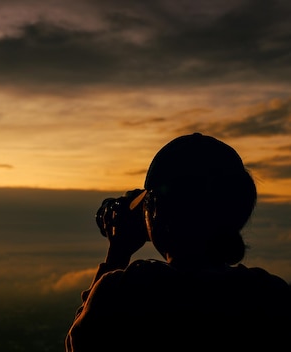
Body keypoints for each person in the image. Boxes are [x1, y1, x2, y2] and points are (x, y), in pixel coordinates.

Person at [65, 132, 291, 350]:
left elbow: (80, 341)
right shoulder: (271, 295)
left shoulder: (126, 293)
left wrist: (117, 254)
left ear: (155, 211)